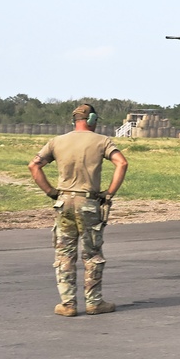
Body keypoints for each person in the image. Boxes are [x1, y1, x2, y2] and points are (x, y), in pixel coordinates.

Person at [28, 103, 128, 317]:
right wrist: (109, 193)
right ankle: (94, 302)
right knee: (91, 254)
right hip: (88, 203)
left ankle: (68, 304)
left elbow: (33, 165)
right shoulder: (102, 141)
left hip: (63, 202)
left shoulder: (57, 141)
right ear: (92, 119)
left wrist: (51, 192)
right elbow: (122, 163)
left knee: (65, 253)